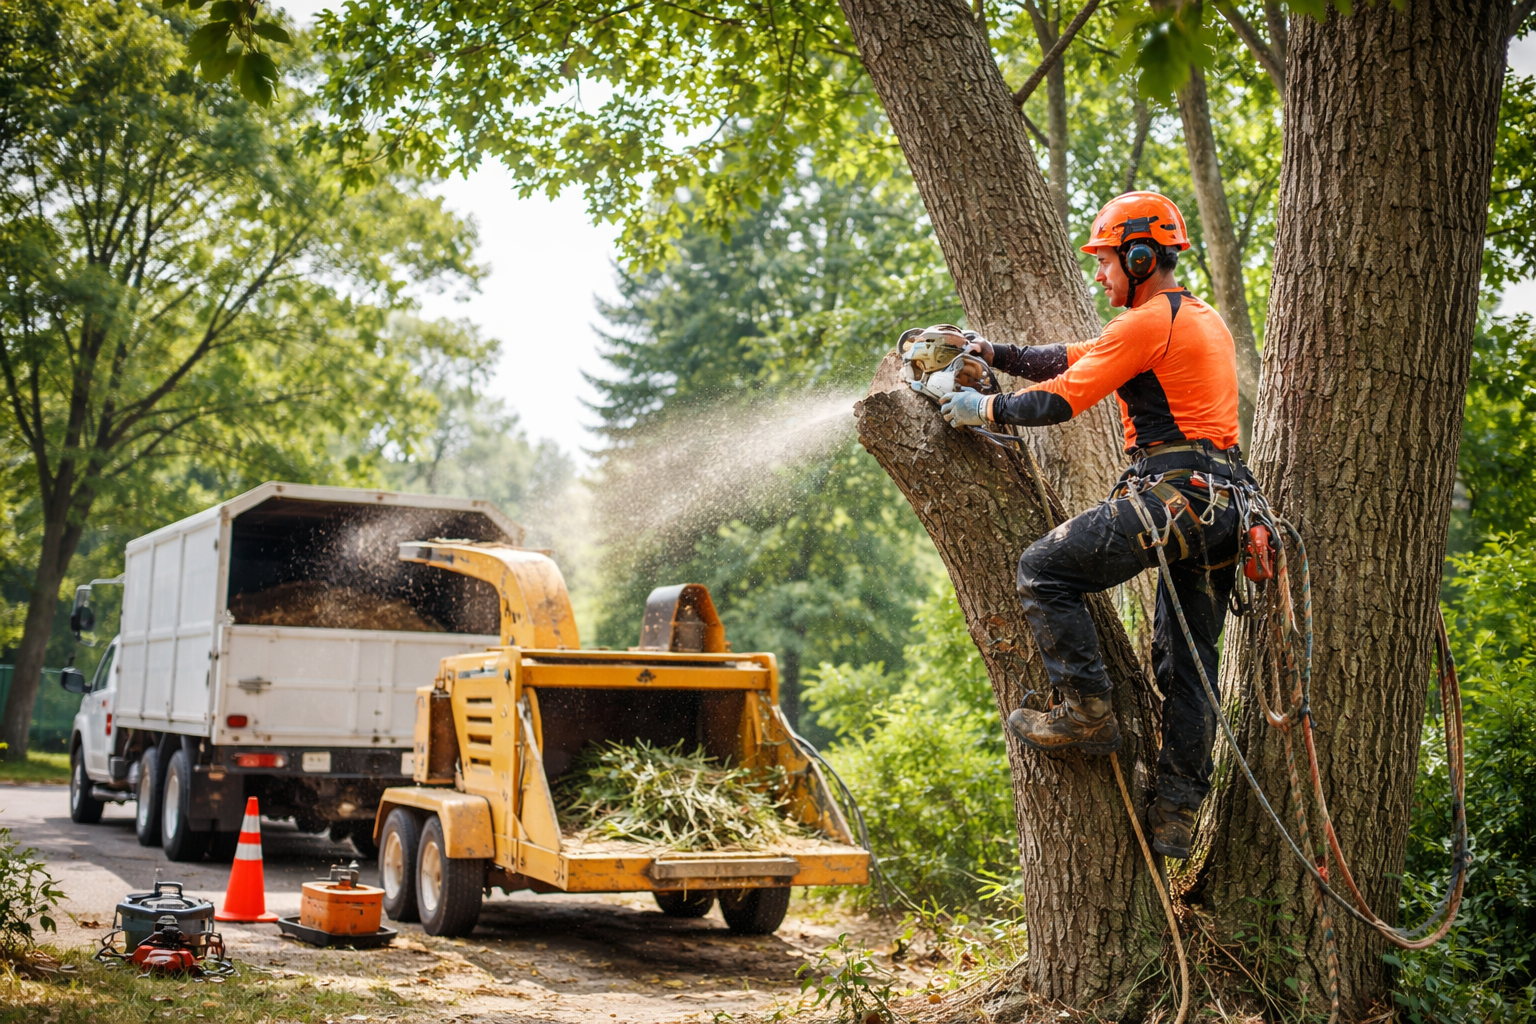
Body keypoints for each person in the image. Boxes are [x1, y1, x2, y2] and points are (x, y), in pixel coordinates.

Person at [939, 191, 1245, 860]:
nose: (1100, 275)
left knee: (1043, 570)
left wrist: (978, 407)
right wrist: (990, 350)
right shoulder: (1194, 316)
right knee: (1186, 664)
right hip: (1223, 511)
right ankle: (1177, 813)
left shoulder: (1147, 322)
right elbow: (1072, 356)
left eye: (1106, 261)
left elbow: (1060, 400)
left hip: (1177, 498)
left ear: (1142, 256)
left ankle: (1086, 712)